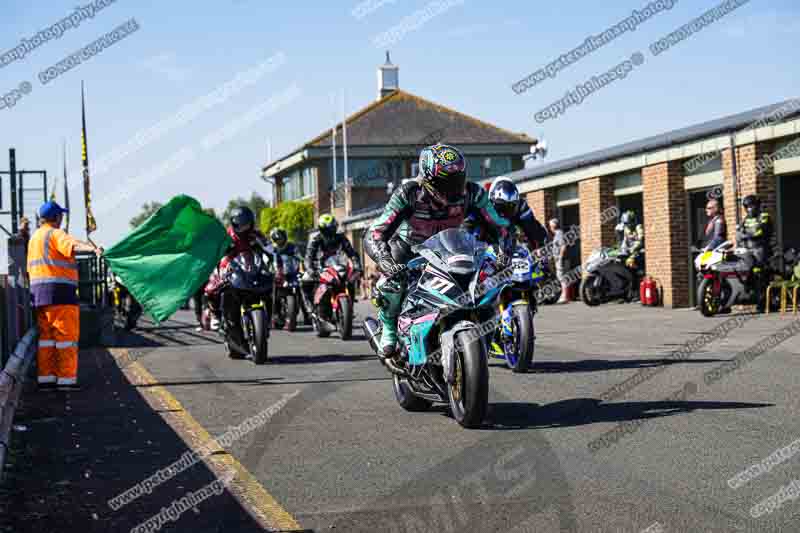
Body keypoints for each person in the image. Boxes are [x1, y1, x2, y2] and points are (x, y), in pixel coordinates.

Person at [364, 143, 511, 359]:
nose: (454, 188)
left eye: (458, 180)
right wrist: (384, 260)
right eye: (446, 182)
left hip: (451, 249)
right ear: (427, 179)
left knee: (487, 284)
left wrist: (502, 252)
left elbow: (500, 227)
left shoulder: (473, 194)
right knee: (392, 284)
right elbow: (375, 232)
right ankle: (389, 329)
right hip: (408, 254)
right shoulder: (408, 194)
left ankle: (486, 332)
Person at [27, 201, 102, 390]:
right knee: (65, 338)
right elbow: (72, 246)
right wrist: (94, 249)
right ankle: (66, 380)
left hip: (38, 295)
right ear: (56, 217)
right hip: (60, 294)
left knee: (47, 339)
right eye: (61, 215)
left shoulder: (35, 237)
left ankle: (46, 378)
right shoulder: (55, 233)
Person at [204, 206, 270, 330]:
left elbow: (269, 247)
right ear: (234, 223)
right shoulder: (226, 236)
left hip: (250, 267)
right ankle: (215, 314)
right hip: (229, 266)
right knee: (213, 287)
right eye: (242, 224)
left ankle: (272, 314)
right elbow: (217, 252)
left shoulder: (256, 234)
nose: (245, 227)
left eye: (247, 223)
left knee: (269, 281)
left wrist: (272, 254)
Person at [302, 215, 362, 321]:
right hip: (320, 269)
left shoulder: (341, 238)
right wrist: (310, 269)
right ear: (322, 229)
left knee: (351, 280)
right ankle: (309, 306)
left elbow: (352, 253)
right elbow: (308, 257)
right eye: (329, 228)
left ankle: (349, 307)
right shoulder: (316, 240)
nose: (332, 230)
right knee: (304, 279)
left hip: (338, 267)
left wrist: (357, 265)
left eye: (333, 227)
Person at [487, 177, 549, 250]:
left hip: (515, 253)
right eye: (501, 206)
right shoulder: (484, 207)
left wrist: (540, 245)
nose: (505, 212)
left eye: (511, 206)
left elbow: (534, 228)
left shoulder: (522, 207)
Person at [736, 195, 774, 311]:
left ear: (757, 206)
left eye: (751, 206)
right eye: (747, 207)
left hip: (761, 249)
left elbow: (760, 231)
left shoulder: (764, 216)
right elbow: (738, 234)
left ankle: (763, 302)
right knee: (742, 270)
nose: (749, 209)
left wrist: (747, 235)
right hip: (747, 249)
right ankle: (746, 293)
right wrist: (745, 235)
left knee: (759, 273)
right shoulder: (745, 219)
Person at [269, 227, 311, 326]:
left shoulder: (292, 246)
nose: (280, 241)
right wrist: (271, 271)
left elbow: (300, 258)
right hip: (278, 274)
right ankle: (275, 314)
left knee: (302, 290)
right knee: (272, 291)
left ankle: (307, 315)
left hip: (293, 272)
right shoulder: (273, 249)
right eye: (277, 239)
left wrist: (302, 268)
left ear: (285, 237)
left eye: (281, 238)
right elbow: (268, 261)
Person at [548, 218, 570, 304]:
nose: (550, 228)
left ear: (553, 226)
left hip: (561, 259)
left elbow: (563, 246)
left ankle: (565, 296)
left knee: (562, 277)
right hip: (558, 259)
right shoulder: (558, 234)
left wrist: (560, 257)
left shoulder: (559, 234)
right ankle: (564, 295)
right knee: (561, 277)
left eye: (550, 226)